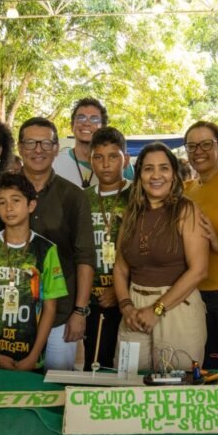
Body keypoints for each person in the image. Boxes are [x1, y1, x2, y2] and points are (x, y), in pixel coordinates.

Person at [0, 117, 95, 371]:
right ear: (20, 147)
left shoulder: (73, 196)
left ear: (56, 148)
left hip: (60, 314)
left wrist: (80, 311)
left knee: (56, 384)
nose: (38, 150)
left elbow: (85, 256)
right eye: (31, 143)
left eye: (45, 143)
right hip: (6, 315)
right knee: (11, 385)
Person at [113, 142, 208, 371]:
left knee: (175, 383)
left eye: (164, 168)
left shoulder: (187, 210)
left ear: (174, 174)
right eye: (148, 169)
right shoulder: (131, 213)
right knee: (127, 378)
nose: (156, 175)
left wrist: (157, 309)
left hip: (176, 307)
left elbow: (199, 270)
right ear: (139, 175)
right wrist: (126, 306)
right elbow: (120, 267)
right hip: (135, 308)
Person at [0, 173, 67, 371]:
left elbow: (50, 309)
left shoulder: (46, 250)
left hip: (31, 355)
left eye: (16, 200)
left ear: (31, 205)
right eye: (2, 202)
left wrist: (34, 356)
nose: (9, 208)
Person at [183, 121, 218, 368]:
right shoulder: (186, 190)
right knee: (200, 367)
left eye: (206, 144)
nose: (198, 151)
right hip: (193, 294)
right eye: (192, 146)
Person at [82, 127, 132, 371]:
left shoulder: (138, 195)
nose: (105, 164)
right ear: (90, 161)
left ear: (126, 159)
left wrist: (120, 289)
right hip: (93, 299)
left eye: (113, 156)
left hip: (129, 298)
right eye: (98, 157)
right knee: (96, 363)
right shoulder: (82, 198)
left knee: (128, 365)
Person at [54, 98, 135, 188]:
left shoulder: (123, 165)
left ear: (103, 127)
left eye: (94, 119)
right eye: (81, 118)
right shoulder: (55, 162)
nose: (86, 123)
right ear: (72, 125)